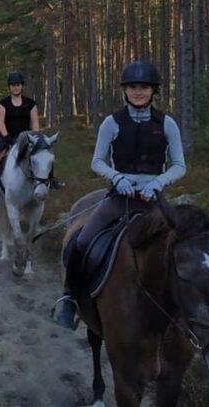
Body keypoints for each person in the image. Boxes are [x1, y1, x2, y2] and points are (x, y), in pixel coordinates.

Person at [52, 60, 187, 330]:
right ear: (124, 90)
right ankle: (69, 298)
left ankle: (189, 311)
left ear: (153, 90)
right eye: (133, 87)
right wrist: (117, 178)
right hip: (119, 197)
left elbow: (179, 165)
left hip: (153, 201)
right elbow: (97, 161)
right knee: (81, 241)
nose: (138, 92)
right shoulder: (111, 123)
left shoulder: (167, 123)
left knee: (185, 248)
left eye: (144, 87)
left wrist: (157, 183)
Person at [0, 71, 40, 196]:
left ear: (22, 86)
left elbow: (35, 123)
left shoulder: (30, 104)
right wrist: (7, 137)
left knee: (44, 155)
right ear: (9, 86)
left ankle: (50, 180)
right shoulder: (3, 104)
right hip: (7, 137)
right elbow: (0, 123)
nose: (16, 87)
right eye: (13, 85)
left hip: (26, 138)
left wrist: (36, 138)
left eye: (18, 84)